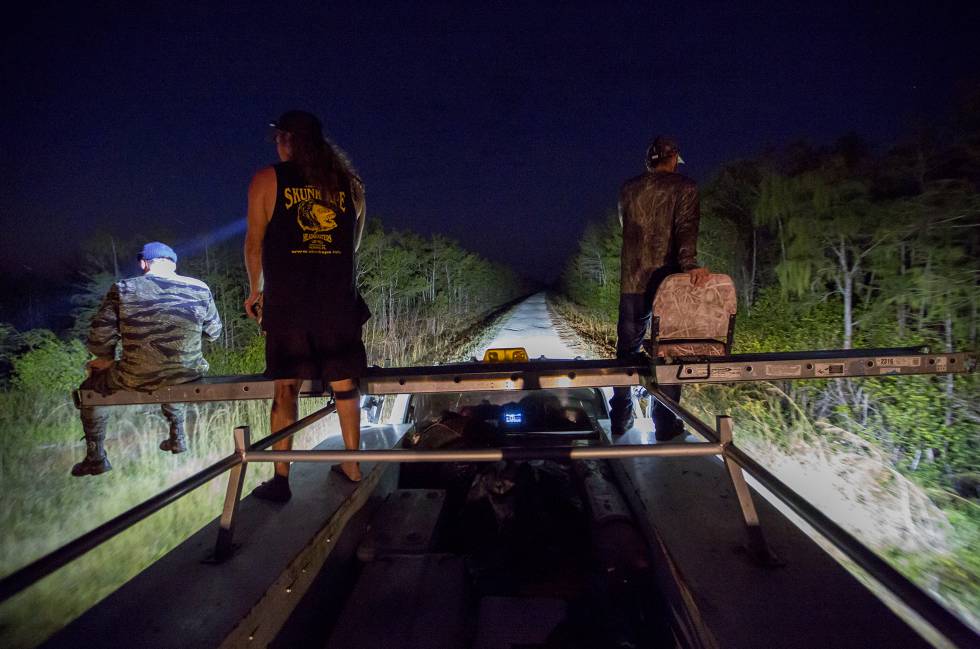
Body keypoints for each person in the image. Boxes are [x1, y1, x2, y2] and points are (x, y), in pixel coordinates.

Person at [244, 110, 369, 502]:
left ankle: (281, 479)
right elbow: (353, 243)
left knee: (286, 387)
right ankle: (352, 464)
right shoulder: (350, 185)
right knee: (345, 383)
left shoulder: (267, 179)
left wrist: (254, 291)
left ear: (286, 140)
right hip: (337, 302)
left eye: (279, 138)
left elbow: (253, 243)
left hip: (289, 302)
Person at [72, 242, 223, 476]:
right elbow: (214, 333)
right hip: (189, 372)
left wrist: (106, 358)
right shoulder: (200, 288)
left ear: (143, 263)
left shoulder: (123, 289)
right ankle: (178, 438)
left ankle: (96, 458)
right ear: (173, 265)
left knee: (90, 388)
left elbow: (99, 338)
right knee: (171, 373)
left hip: (136, 375)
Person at [609, 136, 709, 439]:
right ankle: (664, 424)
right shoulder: (685, 187)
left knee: (626, 350)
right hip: (669, 282)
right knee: (669, 352)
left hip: (634, 277)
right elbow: (686, 230)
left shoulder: (628, 188)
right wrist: (690, 265)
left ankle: (620, 417)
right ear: (673, 157)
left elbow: (627, 228)